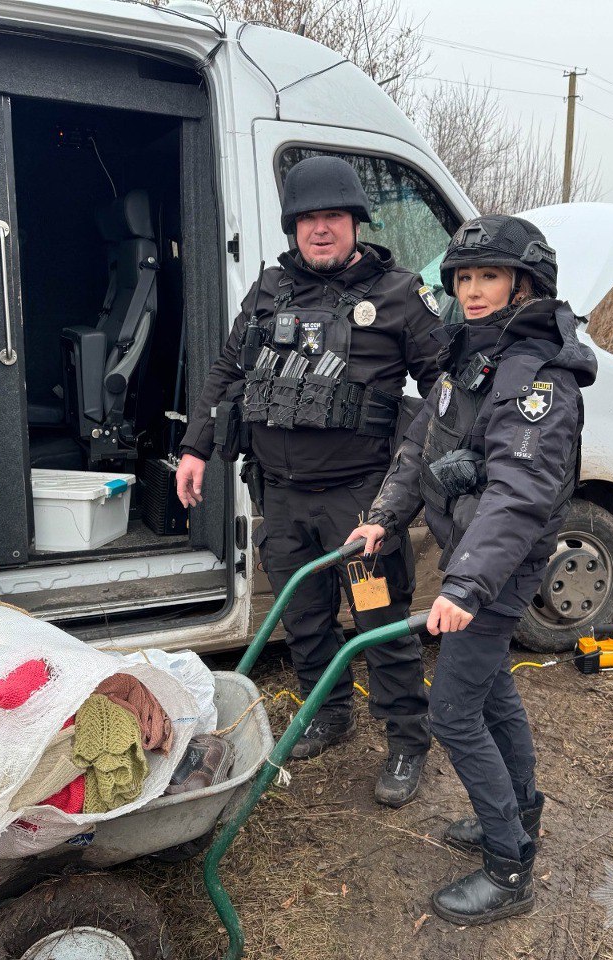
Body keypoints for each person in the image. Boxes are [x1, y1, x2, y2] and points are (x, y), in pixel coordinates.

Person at [346, 214, 596, 924]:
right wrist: (383, 517)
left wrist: (464, 585)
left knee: (452, 714)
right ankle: (517, 817)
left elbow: (518, 496)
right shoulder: (469, 358)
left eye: (489, 276)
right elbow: (421, 444)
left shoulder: (536, 376)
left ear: (525, 284)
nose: (474, 289)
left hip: (498, 567)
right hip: (474, 562)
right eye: (464, 277)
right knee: (490, 698)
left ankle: (509, 868)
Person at [176, 156, 444, 806]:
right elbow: (228, 370)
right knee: (306, 619)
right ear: (293, 227)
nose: (320, 230)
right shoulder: (269, 290)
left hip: (361, 503)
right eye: (307, 220)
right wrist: (194, 448)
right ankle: (329, 715)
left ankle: (407, 740)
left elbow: (446, 391)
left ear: (355, 222)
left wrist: (411, 484)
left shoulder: (402, 294)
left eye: (333, 217)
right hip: (283, 496)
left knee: (378, 618)